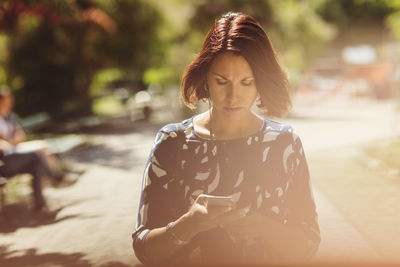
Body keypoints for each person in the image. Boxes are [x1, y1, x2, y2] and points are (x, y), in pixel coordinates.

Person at [132, 12, 320, 265]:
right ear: (206, 78)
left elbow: (308, 243)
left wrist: (264, 227)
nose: (233, 96)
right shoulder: (172, 142)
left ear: (260, 83)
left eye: (246, 82)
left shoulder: (283, 144)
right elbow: (144, 249)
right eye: (222, 81)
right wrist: (187, 225)